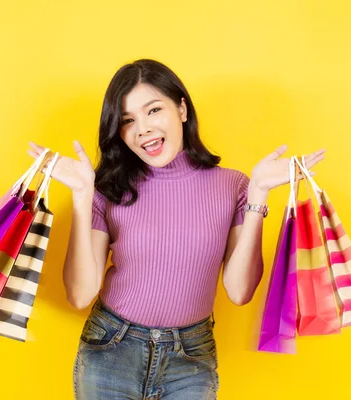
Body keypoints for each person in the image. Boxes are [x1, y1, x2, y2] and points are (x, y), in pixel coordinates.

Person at [28, 59, 324, 399]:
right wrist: (82, 195)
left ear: (182, 108)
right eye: (128, 121)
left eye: (153, 110)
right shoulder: (108, 192)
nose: (143, 129)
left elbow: (239, 291)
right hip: (111, 349)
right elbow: (80, 294)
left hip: (191, 357)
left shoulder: (233, 186)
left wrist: (258, 192)